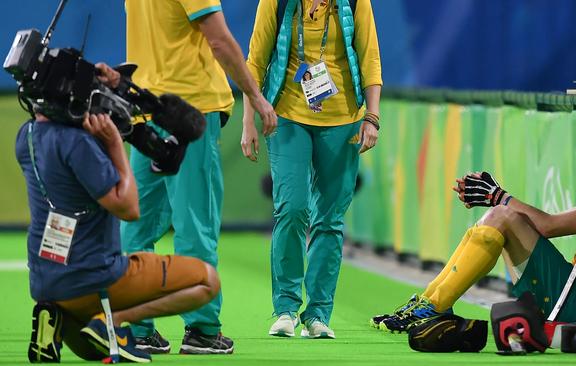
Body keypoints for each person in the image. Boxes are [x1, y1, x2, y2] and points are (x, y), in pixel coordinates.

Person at [16, 64, 221, 363]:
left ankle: (54, 317)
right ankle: (113, 321)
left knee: (90, 348)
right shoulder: (80, 144)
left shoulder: (27, 137)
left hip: (46, 283)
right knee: (207, 281)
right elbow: (129, 208)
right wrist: (114, 145)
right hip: (94, 281)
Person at [371, 112, 576, 332]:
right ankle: (429, 301)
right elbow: (540, 225)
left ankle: (434, 306)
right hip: (574, 294)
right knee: (498, 216)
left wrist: (500, 197)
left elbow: (549, 226)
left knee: (501, 215)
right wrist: (498, 199)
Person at [121, 0, 277, 355]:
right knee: (195, 222)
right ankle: (203, 328)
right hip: (190, 111)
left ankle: (136, 327)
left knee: (137, 224)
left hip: (146, 111)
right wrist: (256, 96)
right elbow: (219, 40)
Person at [242, 0, 382, 338]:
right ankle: (286, 308)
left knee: (330, 218)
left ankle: (318, 313)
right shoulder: (275, 3)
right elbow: (255, 62)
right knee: (292, 208)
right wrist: (248, 120)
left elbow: (370, 58)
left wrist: (372, 118)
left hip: (344, 120)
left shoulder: (352, 2)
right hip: (287, 116)